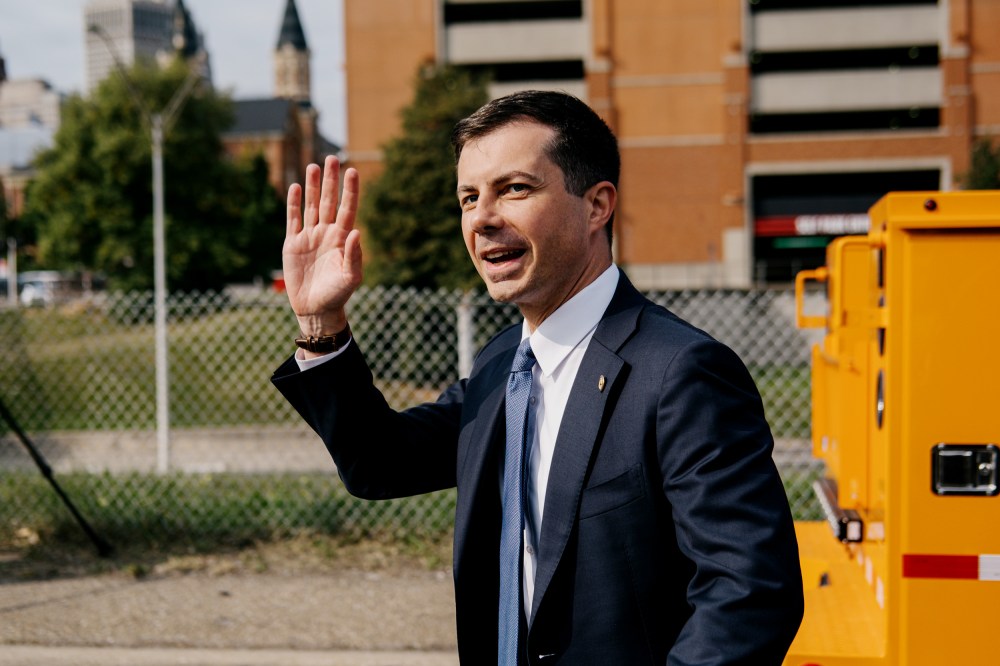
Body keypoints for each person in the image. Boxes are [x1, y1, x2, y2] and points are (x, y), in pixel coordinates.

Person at [272, 90, 803, 665]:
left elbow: (749, 593)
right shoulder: (503, 364)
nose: (482, 218)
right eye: (469, 197)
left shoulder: (680, 373)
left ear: (597, 205)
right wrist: (321, 322)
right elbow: (380, 462)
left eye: (515, 189)